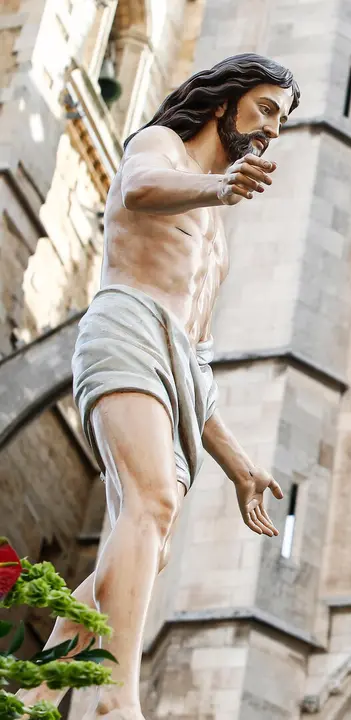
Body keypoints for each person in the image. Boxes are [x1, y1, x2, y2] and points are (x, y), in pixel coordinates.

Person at [16, 53, 300, 719]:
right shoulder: (160, 145)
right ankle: (116, 694)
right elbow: (138, 189)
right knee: (149, 501)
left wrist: (239, 464)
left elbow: (194, 360)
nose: (271, 131)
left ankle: (38, 692)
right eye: (264, 110)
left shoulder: (218, 238)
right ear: (223, 102)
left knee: (151, 539)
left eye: (282, 121)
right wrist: (220, 187)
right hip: (126, 329)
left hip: (177, 371)